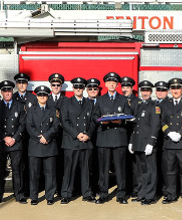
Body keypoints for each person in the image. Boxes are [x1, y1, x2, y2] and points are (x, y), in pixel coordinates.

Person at [92, 72, 133, 204]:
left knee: (120, 168)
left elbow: (129, 116)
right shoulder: (100, 100)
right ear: (105, 84)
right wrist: (100, 122)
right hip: (104, 137)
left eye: (114, 83)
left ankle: (121, 194)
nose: (111, 84)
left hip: (119, 137)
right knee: (103, 169)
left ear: (117, 85)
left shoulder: (123, 99)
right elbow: (94, 116)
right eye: (109, 82)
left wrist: (120, 122)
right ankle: (103, 194)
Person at [0, 80, 28, 205]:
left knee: (17, 170)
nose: (7, 93)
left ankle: (19, 195)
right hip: (1, 143)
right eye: (5, 91)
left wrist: (15, 138)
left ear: (13, 91)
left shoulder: (19, 105)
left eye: (9, 90)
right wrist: (4, 138)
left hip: (16, 142)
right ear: (1, 92)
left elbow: (23, 124)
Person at [60, 78, 96, 204]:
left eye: (81, 87)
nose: (78, 89)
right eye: (76, 87)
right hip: (71, 140)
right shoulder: (66, 102)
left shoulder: (89, 103)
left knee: (86, 169)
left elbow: (93, 121)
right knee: (69, 169)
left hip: (86, 141)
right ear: (73, 88)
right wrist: (77, 134)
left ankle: (87, 193)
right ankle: (66, 194)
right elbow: (64, 121)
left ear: (84, 88)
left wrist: (88, 134)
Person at [128, 80, 162, 205]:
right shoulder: (139, 105)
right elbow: (136, 125)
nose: (145, 93)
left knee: (150, 171)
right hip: (138, 143)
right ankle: (141, 194)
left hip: (148, 144)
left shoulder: (154, 106)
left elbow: (156, 125)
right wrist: (132, 141)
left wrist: (151, 142)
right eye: (143, 90)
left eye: (147, 90)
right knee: (140, 171)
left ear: (151, 91)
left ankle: (150, 196)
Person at [26, 85, 60, 205]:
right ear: (37, 96)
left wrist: (47, 136)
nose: (42, 97)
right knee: (34, 174)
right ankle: (34, 197)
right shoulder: (31, 110)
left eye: (44, 95)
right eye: (40, 95)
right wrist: (39, 137)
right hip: (35, 145)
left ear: (48, 96)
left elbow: (56, 126)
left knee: (50, 173)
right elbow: (29, 126)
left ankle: (50, 196)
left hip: (49, 145)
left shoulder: (53, 110)